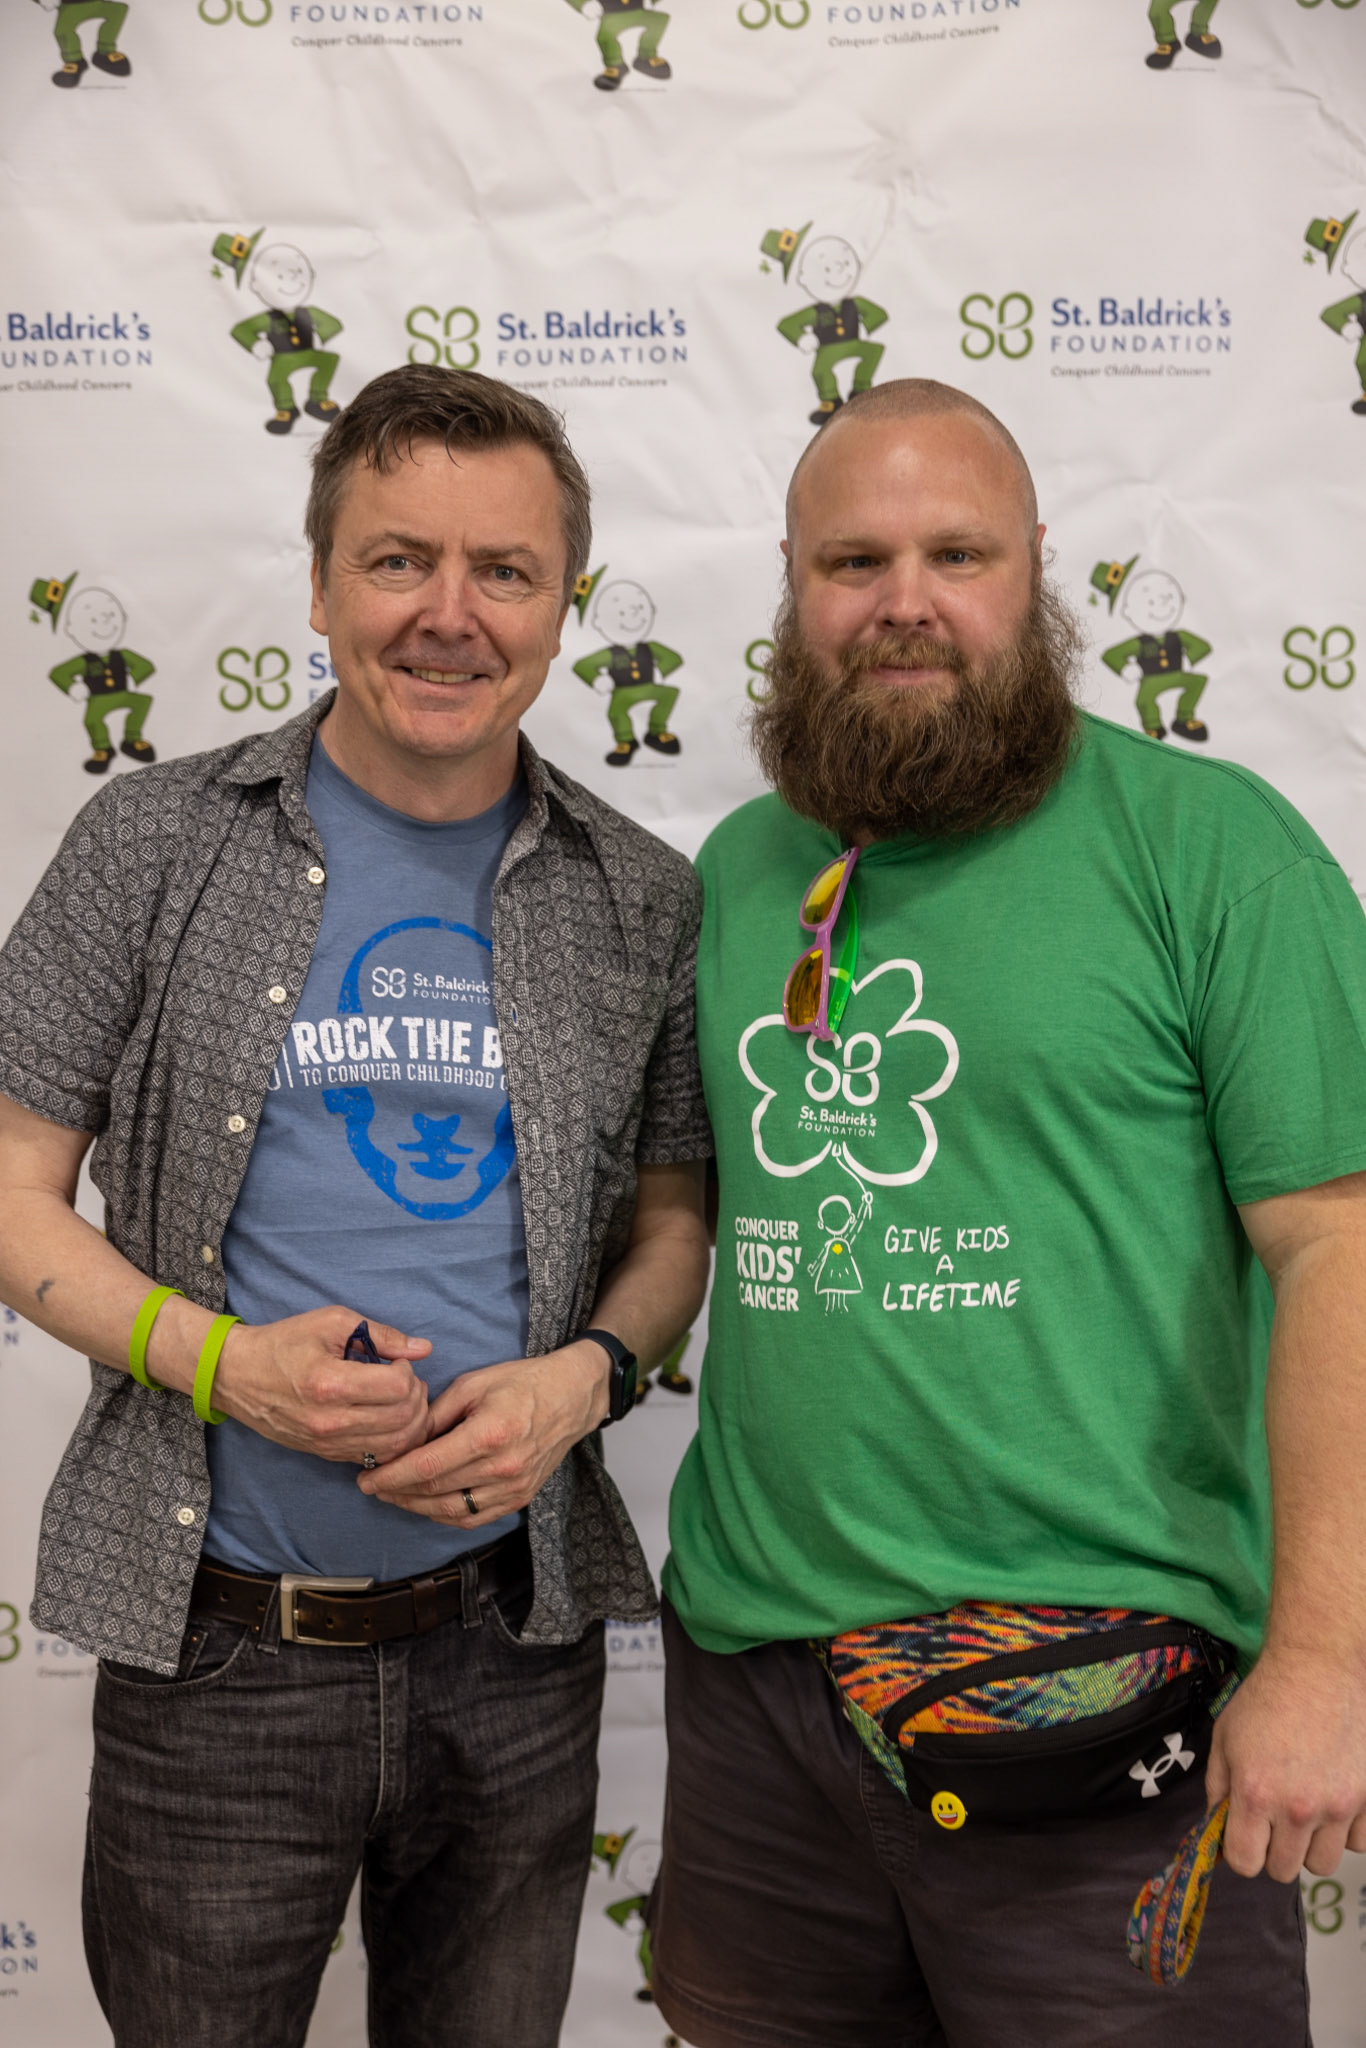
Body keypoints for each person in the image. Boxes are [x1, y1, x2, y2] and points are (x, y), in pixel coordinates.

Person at [0, 364, 711, 2048]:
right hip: (216, 1657)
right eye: (399, 561)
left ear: (563, 606)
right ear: (321, 586)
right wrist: (219, 1363)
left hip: (513, 1652)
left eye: (503, 571)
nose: (449, 615)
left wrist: (582, 1383)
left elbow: (675, 1224)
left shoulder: (641, 896)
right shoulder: (151, 842)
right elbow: (12, 1187)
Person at [650, 377, 1366, 2046]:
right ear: (790, 584)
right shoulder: (742, 871)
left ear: (1033, 568)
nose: (902, 601)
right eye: (853, 561)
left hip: (1098, 1702)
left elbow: (1339, 1249)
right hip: (759, 1702)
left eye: (954, 554)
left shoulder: (1211, 852)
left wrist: (1326, 1659)